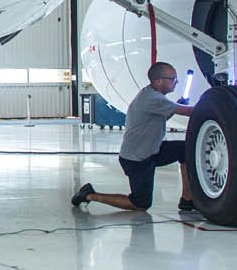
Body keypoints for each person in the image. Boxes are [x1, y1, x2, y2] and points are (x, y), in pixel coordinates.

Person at [72, 61, 196, 213]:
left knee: (185, 150)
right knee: (140, 204)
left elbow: (164, 115)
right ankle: (90, 195)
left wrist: (178, 105)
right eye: (173, 78)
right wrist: (214, 103)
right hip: (137, 159)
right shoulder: (152, 98)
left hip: (152, 150)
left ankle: (187, 199)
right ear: (158, 81)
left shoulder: (154, 97)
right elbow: (189, 111)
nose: (176, 82)